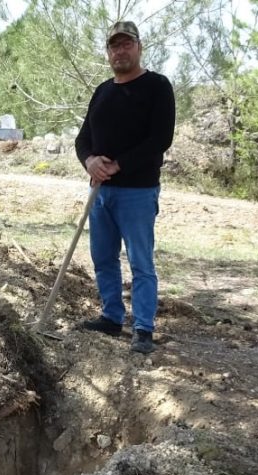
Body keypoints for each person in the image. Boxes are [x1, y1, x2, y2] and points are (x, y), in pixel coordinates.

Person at [74, 20, 175, 354]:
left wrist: (117, 165)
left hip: (138, 192)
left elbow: (160, 139)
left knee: (140, 262)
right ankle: (111, 317)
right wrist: (90, 161)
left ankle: (143, 328)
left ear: (138, 47)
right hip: (100, 192)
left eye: (126, 44)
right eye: (114, 46)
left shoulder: (158, 86)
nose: (120, 51)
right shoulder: (102, 91)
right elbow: (83, 138)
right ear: (108, 53)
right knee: (102, 257)